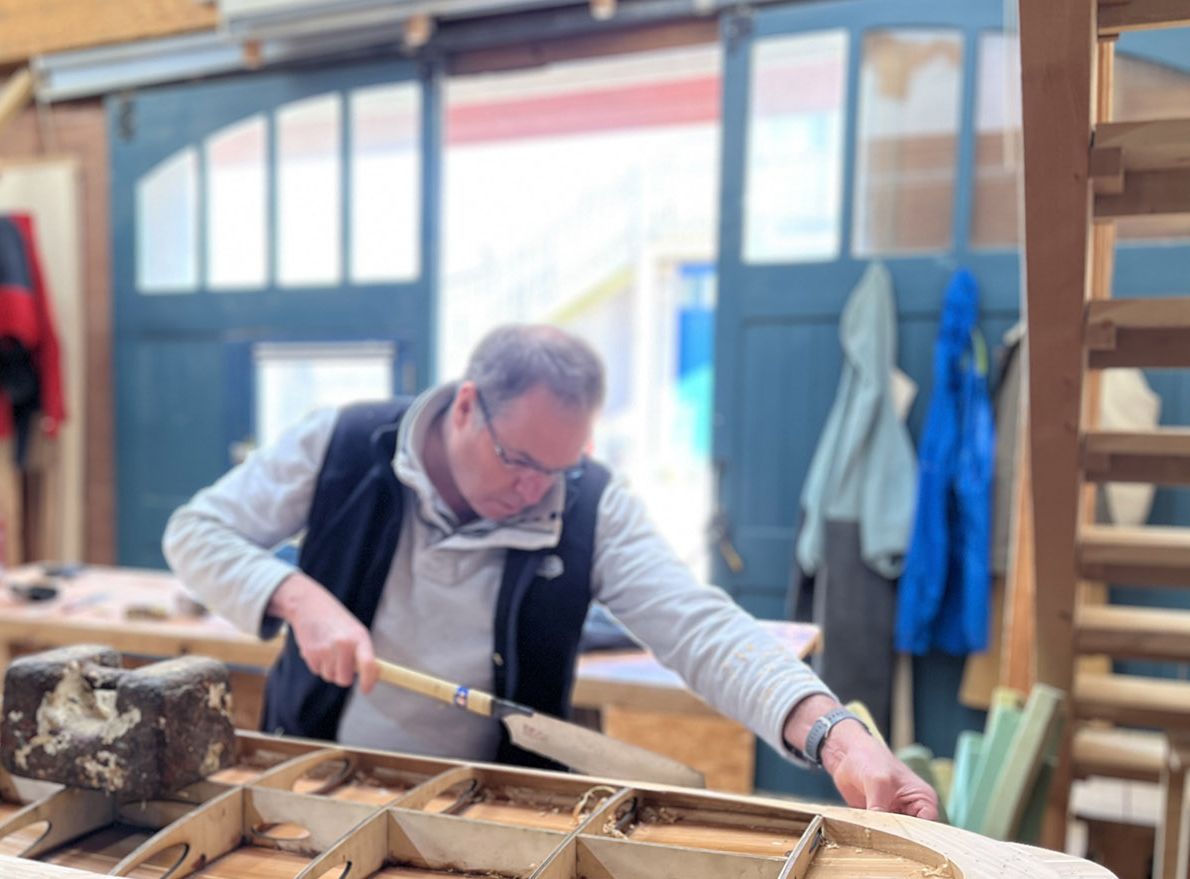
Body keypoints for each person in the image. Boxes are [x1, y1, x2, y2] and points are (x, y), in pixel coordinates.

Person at [164, 325, 940, 820]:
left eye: (559, 470)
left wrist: (838, 738)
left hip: (490, 802)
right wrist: (296, 597)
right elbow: (194, 531)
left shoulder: (586, 503)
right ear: (467, 406)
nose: (538, 490)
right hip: (318, 776)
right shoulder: (344, 442)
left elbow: (700, 627)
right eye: (522, 462)